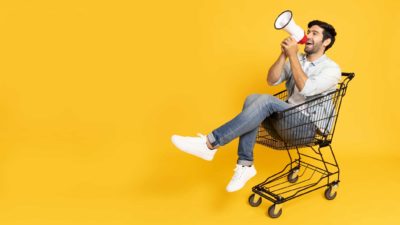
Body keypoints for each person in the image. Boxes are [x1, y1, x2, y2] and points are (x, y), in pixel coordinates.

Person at [171, 20, 341, 192]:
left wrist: (292, 56)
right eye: (308, 31)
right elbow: (271, 80)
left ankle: (209, 144)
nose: (309, 36)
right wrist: (283, 55)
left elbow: (306, 88)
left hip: (306, 129)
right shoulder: (297, 59)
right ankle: (245, 166)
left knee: (266, 101)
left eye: (314, 33)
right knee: (253, 98)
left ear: (326, 42)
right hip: (285, 121)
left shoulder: (332, 69)